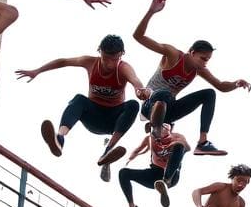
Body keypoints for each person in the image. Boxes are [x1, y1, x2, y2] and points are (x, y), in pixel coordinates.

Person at [15, 35, 150, 180]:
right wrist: (37, 71)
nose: (110, 64)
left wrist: (140, 92)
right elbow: (64, 62)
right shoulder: (90, 62)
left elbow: (136, 82)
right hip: (92, 116)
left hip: (113, 120)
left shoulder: (124, 68)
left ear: (121, 54)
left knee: (133, 105)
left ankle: (108, 151)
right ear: (99, 52)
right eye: (106, 59)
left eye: (114, 60)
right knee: (79, 99)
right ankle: (59, 139)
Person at [133, 0, 251, 154]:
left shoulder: (199, 70)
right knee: (164, 94)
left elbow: (221, 86)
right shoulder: (173, 54)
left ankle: (202, 143)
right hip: (150, 105)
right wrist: (151, 12)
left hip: (170, 111)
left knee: (209, 93)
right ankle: (156, 128)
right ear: (192, 52)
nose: (205, 63)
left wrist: (236, 83)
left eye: (208, 60)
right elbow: (138, 36)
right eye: (203, 58)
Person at [116, 123, 190, 207]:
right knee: (123, 173)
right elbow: (138, 150)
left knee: (179, 146)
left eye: (165, 128)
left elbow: (188, 148)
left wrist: (177, 143)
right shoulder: (151, 138)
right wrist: (130, 158)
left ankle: (166, 181)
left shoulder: (176, 137)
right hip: (153, 175)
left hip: (171, 176)